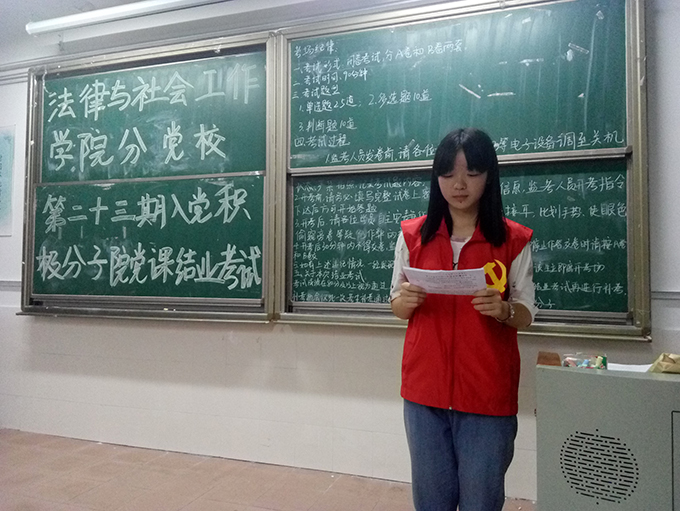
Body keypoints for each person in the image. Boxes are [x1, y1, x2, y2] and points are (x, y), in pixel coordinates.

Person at [390, 127, 536, 511]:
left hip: (487, 392)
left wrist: (504, 311)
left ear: (489, 175)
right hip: (424, 391)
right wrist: (406, 300)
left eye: (471, 173)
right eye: (448, 173)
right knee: (431, 500)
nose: (458, 184)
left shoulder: (513, 239)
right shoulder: (412, 236)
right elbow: (396, 306)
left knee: (481, 500)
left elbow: (526, 312)